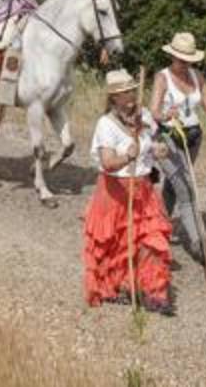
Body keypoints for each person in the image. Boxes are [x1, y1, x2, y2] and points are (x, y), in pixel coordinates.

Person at [83, 69, 174, 315]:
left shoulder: (143, 116)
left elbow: (149, 144)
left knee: (153, 239)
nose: (131, 97)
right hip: (115, 191)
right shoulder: (106, 125)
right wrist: (127, 157)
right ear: (114, 98)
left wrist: (156, 149)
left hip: (143, 188)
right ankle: (116, 286)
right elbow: (108, 162)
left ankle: (155, 293)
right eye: (124, 94)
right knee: (115, 244)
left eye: (132, 91)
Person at [148, 32, 206, 262]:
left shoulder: (197, 76)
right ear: (172, 56)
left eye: (188, 60)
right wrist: (166, 114)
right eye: (180, 59)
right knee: (186, 188)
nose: (184, 64)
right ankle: (199, 243)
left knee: (173, 187)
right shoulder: (162, 78)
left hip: (193, 137)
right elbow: (153, 111)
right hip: (167, 138)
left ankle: (157, 228)